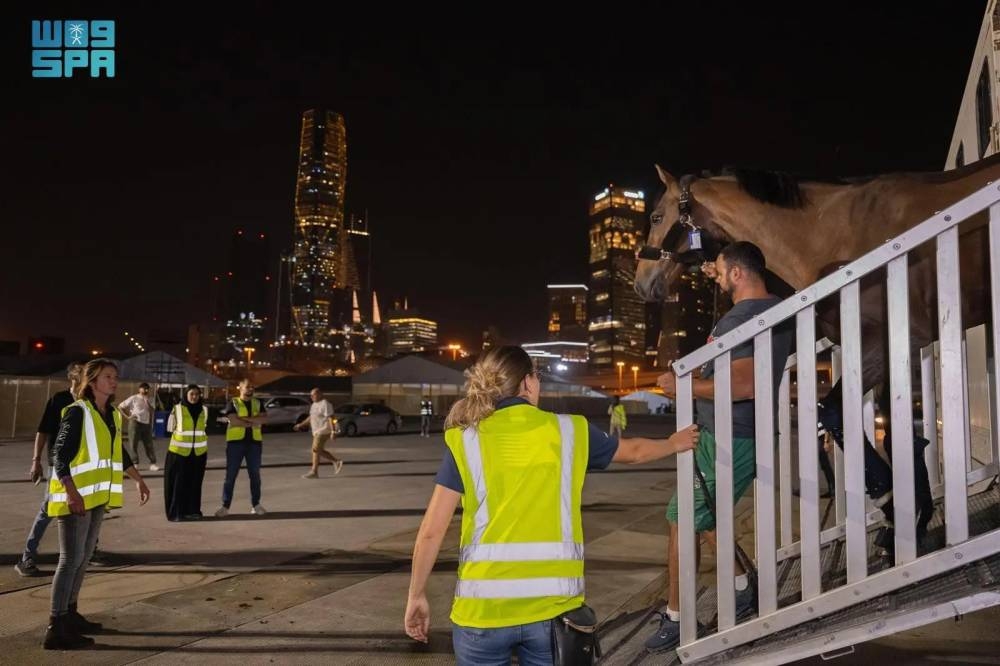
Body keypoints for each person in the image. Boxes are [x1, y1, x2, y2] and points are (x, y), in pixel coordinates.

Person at [403, 345, 699, 665]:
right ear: (528, 382)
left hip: (482, 615)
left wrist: (416, 595)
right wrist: (673, 443)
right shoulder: (569, 430)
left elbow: (431, 531)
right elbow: (634, 452)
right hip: (553, 613)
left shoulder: (466, 439)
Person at [645, 241, 793, 652]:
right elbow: (736, 374)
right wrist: (717, 267)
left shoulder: (748, 316)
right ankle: (744, 587)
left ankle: (677, 617)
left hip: (733, 436)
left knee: (681, 518)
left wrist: (683, 386)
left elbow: (744, 385)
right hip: (722, 433)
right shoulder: (767, 309)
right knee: (706, 516)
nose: (717, 278)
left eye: (723, 272)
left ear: (738, 274)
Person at [43, 358, 151, 650]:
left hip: (97, 499)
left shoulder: (112, 414)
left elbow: (119, 453)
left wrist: (139, 480)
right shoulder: (77, 412)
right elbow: (59, 455)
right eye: (108, 376)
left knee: (83, 557)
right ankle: (55, 627)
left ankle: (70, 613)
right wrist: (71, 492)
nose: (114, 381)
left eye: (115, 376)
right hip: (76, 499)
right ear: (92, 382)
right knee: (70, 560)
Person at [14, 362, 83, 577]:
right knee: (48, 508)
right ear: (74, 378)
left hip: (82, 464)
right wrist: (36, 460)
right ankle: (27, 557)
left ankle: (90, 550)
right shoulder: (59, 400)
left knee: (85, 506)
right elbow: (43, 431)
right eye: (84, 375)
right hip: (59, 464)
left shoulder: (89, 402)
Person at [215, 379, 267, 517]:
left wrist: (243, 419)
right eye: (247, 387)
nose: (250, 389)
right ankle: (225, 506)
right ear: (240, 388)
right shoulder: (233, 403)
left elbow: (263, 419)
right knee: (230, 476)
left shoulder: (258, 403)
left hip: (254, 444)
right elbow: (233, 420)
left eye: (252, 387)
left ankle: (256, 505)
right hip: (235, 444)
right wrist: (253, 420)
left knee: (255, 476)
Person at [164, 384, 209, 521]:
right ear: (186, 395)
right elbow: (170, 428)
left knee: (195, 484)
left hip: (199, 454)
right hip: (179, 453)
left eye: (197, 394)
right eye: (191, 394)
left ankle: (193, 511)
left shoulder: (204, 410)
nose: (194, 397)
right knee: (178, 484)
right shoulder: (177, 409)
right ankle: (176, 513)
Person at [294, 388, 343, 478]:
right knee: (316, 450)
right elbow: (311, 417)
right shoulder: (314, 405)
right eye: (311, 395)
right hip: (316, 431)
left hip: (324, 430)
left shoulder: (325, 404)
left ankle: (315, 471)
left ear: (320, 394)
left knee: (315, 449)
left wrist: (333, 431)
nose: (311, 397)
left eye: (313, 395)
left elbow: (331, 418)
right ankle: (334, 462)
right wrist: (300, 425)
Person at [117, 382, 158, 471]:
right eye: (144, 388)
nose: (146, 390)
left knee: (149, 444)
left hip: (146, 424)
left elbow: (152, 410)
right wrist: (128, 417)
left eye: (147, 389)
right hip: (135, 422)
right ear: (139, 389)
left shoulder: (151, 399)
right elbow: (120, 407)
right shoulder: (134, 398)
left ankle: (153, 463)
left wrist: (147, 402)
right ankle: (135, 463)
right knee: (133, 444)